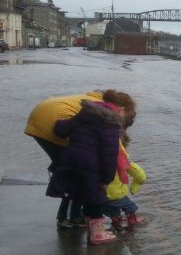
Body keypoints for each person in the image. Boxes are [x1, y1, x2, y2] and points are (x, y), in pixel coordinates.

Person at [25, 89, 136, 228]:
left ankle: (75, 215)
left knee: (74, 171)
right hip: (50, 122)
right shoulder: (104, 114)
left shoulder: (93, 105)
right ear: (122, 109)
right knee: (78, 176)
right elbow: (110, 152)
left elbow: (64, 128)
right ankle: (70, 218)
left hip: (42, 117)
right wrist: (106, 178)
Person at [46, 99, 126, 244]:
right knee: (96, 199)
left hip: (71, 158)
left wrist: (58, 121)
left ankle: (87, 229)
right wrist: (106, 180)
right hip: (92, 165)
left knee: (76, 192)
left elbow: (61, 130)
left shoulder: (83, 116)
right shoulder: (111, 125)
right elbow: (109, 156)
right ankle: (96, 235)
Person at [104, 131, 147, 229]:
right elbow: (138, 173)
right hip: (117, 193)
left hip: (102, 193)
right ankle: (132, 220)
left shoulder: (100, 156)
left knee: (112, 210)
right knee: (130, 207)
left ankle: (116, 221)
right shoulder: (121, 159)